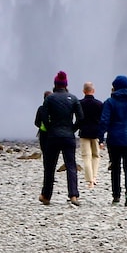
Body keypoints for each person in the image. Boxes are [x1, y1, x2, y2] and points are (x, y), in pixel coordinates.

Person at [34, 72, 83, 206]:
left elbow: (43, 117)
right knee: (71, 165)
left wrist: (50, 128)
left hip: (53, 136)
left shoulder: (49, 99)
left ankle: (46, 195)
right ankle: (73, 195)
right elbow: (81, 118)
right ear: (66, 85)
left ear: (55, 85)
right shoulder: (73, 98)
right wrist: (72, 129)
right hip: (68, 136)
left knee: (50, 166)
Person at [102, 75, 127, 206]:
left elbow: (104, 121)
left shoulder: (110, 102)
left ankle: (116, 196)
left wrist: (100, 136)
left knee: (115, 167)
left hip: (114, 139)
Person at [76, 81, 105, 190]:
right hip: (96, 133)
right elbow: (102, 121)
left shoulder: (79, 103)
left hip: (84, 132)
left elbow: (78, 119)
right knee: (96, 156)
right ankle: (94, 177)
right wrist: (102, 138)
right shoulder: (99, 104)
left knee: (86, 157)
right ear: (93, 91)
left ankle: (90, 181)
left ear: (84, 91)